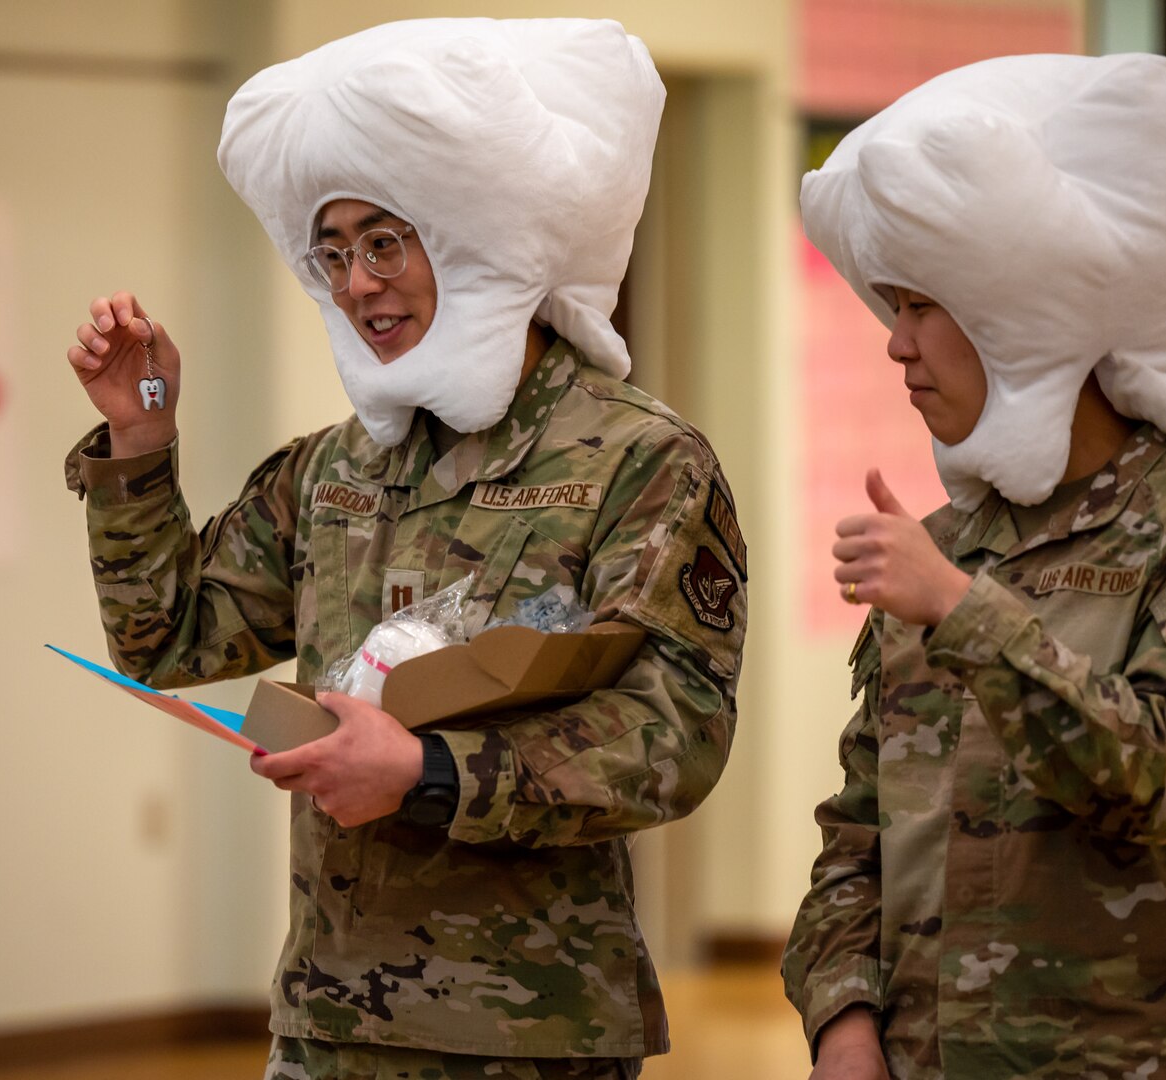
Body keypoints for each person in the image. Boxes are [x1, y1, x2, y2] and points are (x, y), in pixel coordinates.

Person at [63, 19, 747, 1080]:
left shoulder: (638, 460)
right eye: (332, 253)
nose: (359, 285)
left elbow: (676, 737)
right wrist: (140, 441)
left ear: (470, 237)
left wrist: (429, 773)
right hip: (327, 1024)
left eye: (386, 242)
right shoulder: (333, 470)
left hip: (528, 1036)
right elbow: (170, 639)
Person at [782, 53, 1166, 1079]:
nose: (896, 346)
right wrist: (843, 1021)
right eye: (891, 306)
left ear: (1018, 312)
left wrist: (961, 613)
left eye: (923, 307)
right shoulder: (947, 543)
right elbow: (858, 830)